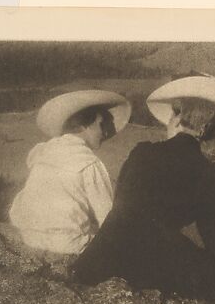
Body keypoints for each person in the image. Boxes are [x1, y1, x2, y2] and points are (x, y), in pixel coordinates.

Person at [72, 75, 215, 301]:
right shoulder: (209, 173)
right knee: (207, 268)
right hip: (151, 265)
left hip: (99, 259)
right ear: (206, 130)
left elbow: (121, 208)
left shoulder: (142, 152)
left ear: (176, 119)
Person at [9, 90, 131, 255]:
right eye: (101, 124)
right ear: (83, 125)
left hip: (29, 237)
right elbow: (108, 218)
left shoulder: (45, 153)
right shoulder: (88, 162)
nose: (106, 132)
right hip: (67, 244)